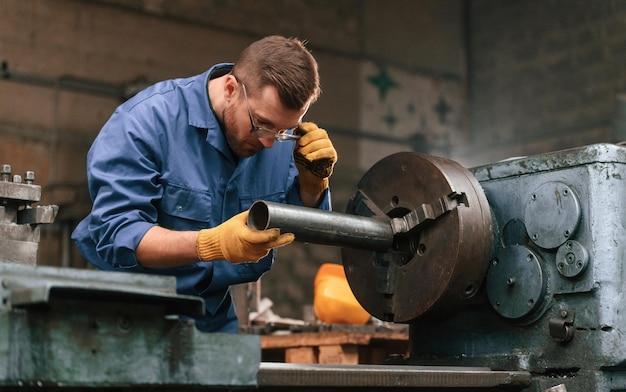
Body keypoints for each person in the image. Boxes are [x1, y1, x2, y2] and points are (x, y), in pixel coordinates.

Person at [71, 35, 337, 333]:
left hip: (210, 320)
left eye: (283, 130)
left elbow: (303, 228)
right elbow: (118, 234)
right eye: (260, 124)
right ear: (230, 89)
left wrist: (312, 186)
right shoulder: (144, 123)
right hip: (125, 317)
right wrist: (210, 244)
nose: (268, 141)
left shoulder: (277, 140)